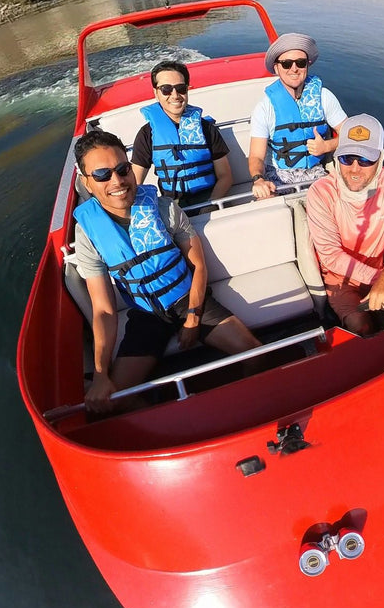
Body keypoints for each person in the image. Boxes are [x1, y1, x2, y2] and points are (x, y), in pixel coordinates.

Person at [73, 129, 260, 414]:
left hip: (188, 299)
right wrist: (100, 375)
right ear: (86, 181)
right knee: (110, 402)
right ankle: (171, 415)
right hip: (146, 316)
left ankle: (249, 409)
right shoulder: (88, 233)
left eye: (123, 169)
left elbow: (198, 265)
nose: (117, 181)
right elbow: (104, 310)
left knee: (256, 354)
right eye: (102, 175)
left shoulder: (164, 208)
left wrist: (194, 318)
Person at [306, 114, 384, 336]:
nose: (354, 168)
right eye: (346, 158)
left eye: (365, 160)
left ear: (380, 159)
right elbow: (331, 255)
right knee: (362, 328)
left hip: (383, 274)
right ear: (336, 157)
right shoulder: (320, 193)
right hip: (340, 282)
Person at [248, 33, 347, 199]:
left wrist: (328, 146)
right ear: (276, 67)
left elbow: (351, 134)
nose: (294, 69)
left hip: (317, 173)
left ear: (307, 65)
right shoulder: (265, 108)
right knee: (268, 206)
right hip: (279, 175)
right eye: (286, 64)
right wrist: (258, 180)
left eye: (300, 63)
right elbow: (256, 156)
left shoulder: (324, 97)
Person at [131, 60, 233, 206]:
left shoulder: (206, 128)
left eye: (181, 88)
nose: (175, 95)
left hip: (210, 200)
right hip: (172, 206)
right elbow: (135, 183)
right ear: (156, 92)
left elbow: (226, 176)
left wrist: (210, 204)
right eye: (166, 89)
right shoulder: (147, 134)